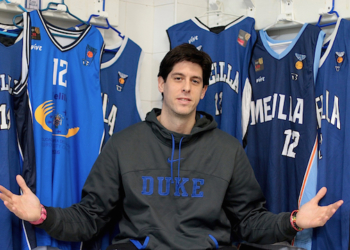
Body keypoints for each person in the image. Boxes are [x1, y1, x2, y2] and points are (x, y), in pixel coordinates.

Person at [0, 43, 343, 250]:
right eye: (178, 78)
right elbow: (90, 218)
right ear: (162, 84)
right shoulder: (124, 145)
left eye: (195, 81)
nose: (186, 88)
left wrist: (296, 220)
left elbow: (250, 222)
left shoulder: (227, 151)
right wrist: (41, 215)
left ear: (204, 91)